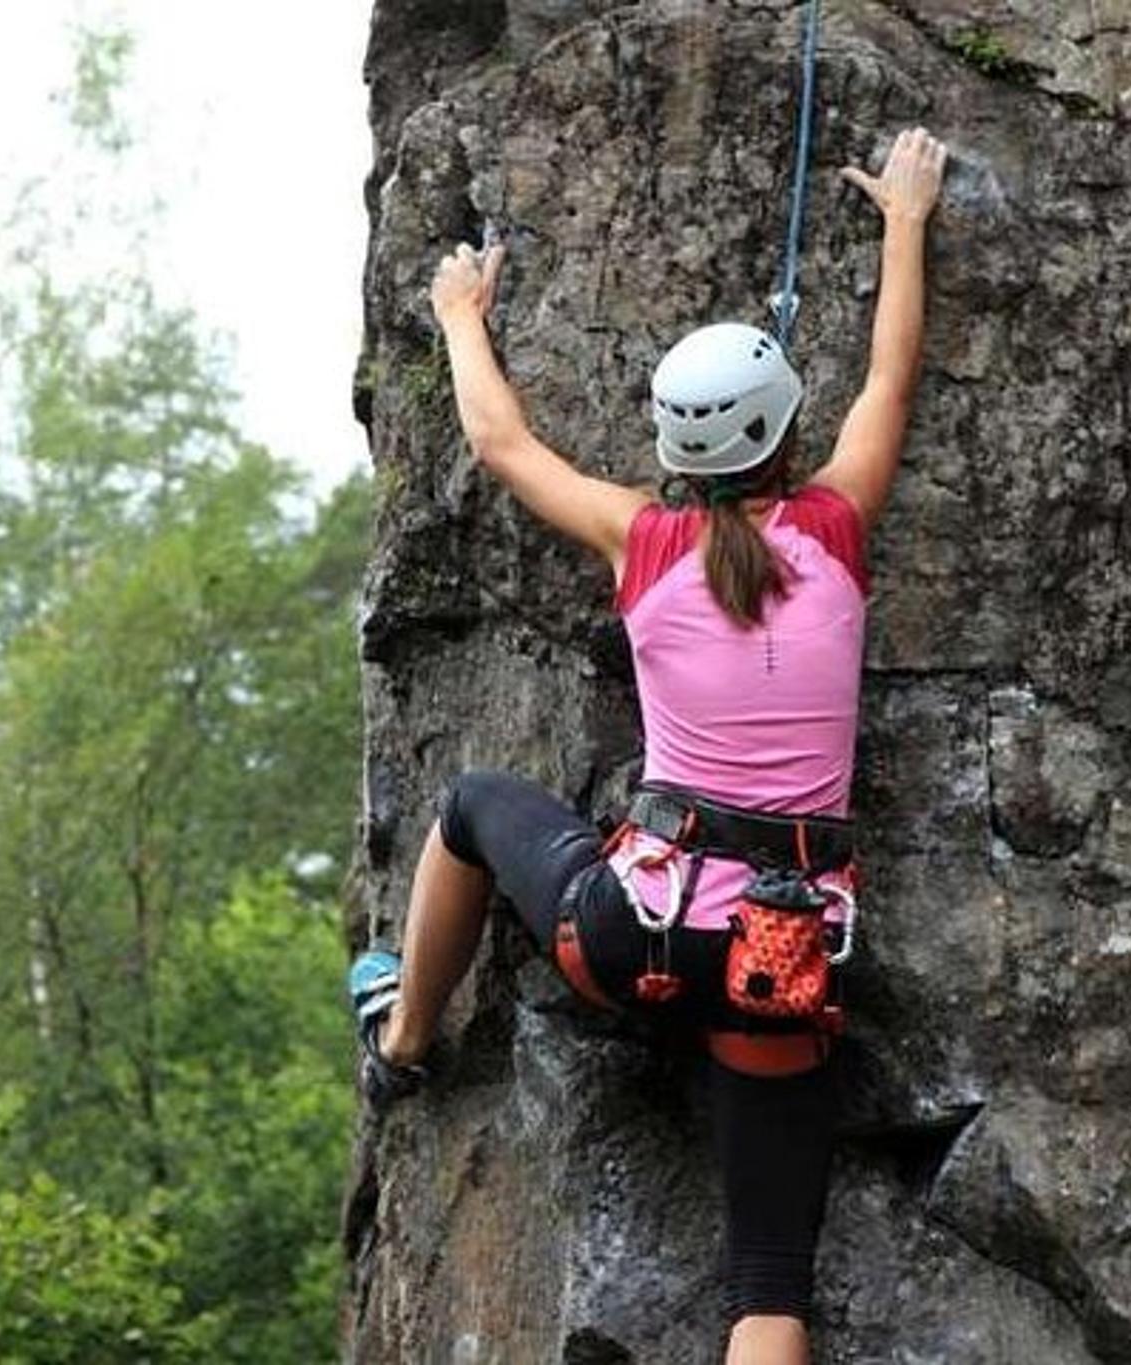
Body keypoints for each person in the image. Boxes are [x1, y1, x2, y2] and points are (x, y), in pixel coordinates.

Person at [350, 126, 947, 1365]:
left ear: (673, 451)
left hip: (636, 930)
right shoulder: (836, 529)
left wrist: (463, 314)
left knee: (467, 807)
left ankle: (405, 1037)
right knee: (768, 1283)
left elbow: (503, 446)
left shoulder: (644, 545)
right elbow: (890, 383)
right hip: (778, 958)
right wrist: (902, 221)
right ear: (786, 434)